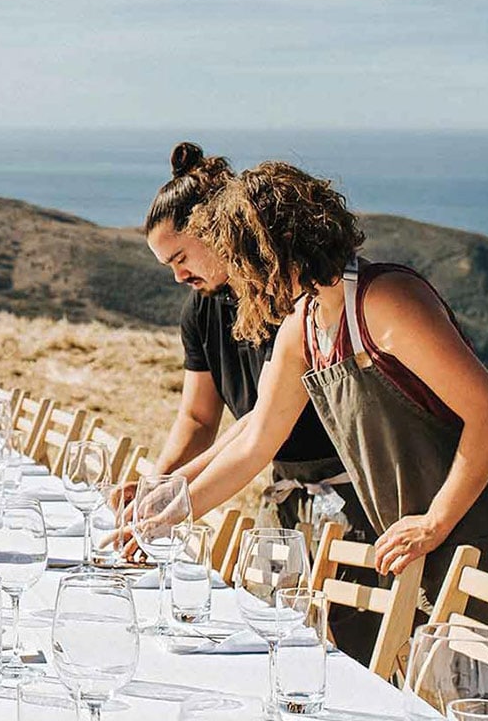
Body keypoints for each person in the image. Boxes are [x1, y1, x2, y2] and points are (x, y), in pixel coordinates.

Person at [185, 161, 488, 692]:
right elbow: (255, 444)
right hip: (423, 543)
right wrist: (168, 514)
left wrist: (433, 522)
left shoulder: (386, 301)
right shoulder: (303, 330)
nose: (238, 281)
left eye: (241, 262)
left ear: (275, 251)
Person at [139, 143, 380, 663]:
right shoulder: (200, 312)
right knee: (278, 641)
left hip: (351, 493)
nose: (178, 276)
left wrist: (170, 505)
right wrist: (158, 487)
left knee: (357, 653)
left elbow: (255, 429)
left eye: (180, 257)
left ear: (214, 232)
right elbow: (200, 418)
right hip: (282, 491)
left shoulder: (288, 299)